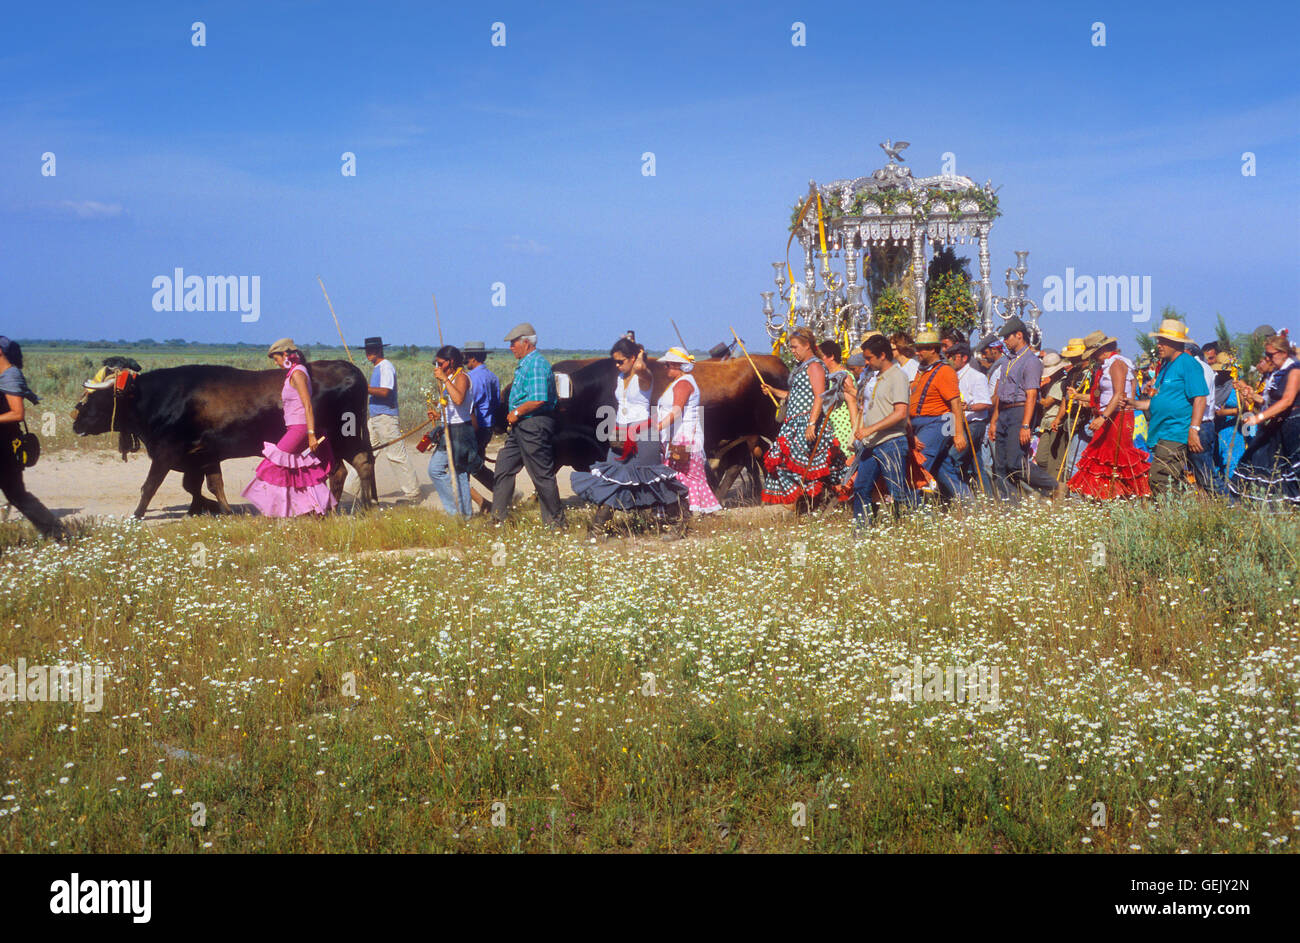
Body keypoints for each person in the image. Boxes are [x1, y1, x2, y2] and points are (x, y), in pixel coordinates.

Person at [570, 338, 686, 538]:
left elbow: (640, 366)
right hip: (622, 433)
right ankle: (597, 531)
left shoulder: (644, 375)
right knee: (611, 478)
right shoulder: (620, 377)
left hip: (643, 433)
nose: (616, 365)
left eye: (621, 361)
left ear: (633, 358)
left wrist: (640, 353)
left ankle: (678, 524)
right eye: (615, 361)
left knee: (653, 480)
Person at [242, 339, 338, 516]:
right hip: (295, 427)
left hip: (300, 428)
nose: (275, 362)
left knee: (272, 465)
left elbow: (307, 405)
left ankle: (274, 511)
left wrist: (310, 435)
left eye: (276, 358)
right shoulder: (294, 372)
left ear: (285, 355)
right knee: (302, 470)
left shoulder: (298, 374)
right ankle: (317, 509)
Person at [491, 323, 566, 527]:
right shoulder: (527, 363)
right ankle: (498, 519)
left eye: (514, 343)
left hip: (533, 424)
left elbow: (538, 399)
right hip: (522, 425)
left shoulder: (536, 365)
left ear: (526, 342)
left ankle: (556, 524)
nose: (511, 347)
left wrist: (515, 412)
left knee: (541, 474)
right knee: (504, 466)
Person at [760, 327, 843, 508]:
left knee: (806, 466)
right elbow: (796, 395)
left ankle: (812, 504)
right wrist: (773, 391)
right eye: (791, 347)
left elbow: (819, 396)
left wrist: (811, 424)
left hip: (807, 423)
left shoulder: (814, 366)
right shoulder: (800, 367)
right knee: (784, 463)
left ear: (807, 346)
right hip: (793, 423)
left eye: (795, 347)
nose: (793, 351)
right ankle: (804, 504)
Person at [1067, 337, 1151, 499]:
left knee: (1116, 459)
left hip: (1116, 418)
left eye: (1094, 353)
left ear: (1102, 351)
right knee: (1105, 460)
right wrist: (1078, 396)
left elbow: (1119, 393)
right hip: (1111, 416)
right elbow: (1103, 395)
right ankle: (1107, 496)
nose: (1092, 358)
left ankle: (1121, 495)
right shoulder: (1108, 365)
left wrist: (1103, 418)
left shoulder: (1117, 364)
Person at [1131, 318, 1207, 496]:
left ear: (1176, 343)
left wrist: (1193, 429)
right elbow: (1158, 401)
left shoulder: (1188, 364)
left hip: (1176, 431)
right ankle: (1187, 511)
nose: (1159, 345)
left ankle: (1172, 514)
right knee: (1172, 478)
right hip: (1161, 431)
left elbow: (1200, 398)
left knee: (1160, 477)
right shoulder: (1165, 367)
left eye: (1163, 341)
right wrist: (1133, 404)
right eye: (1159, 341)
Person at [989, 318, 1062, 501]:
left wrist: (1025, 425)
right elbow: (1000, 394)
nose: (1005, 341)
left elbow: (1031, 395)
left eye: (1007, 337)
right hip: (1004, 412)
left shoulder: (1031, 361)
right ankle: (1011, 506)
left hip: (1020, 411)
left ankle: (1053, 486)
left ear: (1019, 335)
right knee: (1000, 465)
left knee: (1015, 462)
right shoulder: (1007, 361)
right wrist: (993, 421)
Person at [0, 337, 66, 538]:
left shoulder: (10, 376)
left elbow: (17, 413)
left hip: (5, 447)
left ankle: (59, 534)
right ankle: (59, 534)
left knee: (17, 495)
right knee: (17, 494)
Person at [1229, 333, 1300, 505]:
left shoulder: (1295, 370)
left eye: (1271, 355)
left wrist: (1258, 418)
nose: (1267, 359)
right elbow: (1270, 402)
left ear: (1283, 353)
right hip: (1275, 426)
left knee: (1290, 469)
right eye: (1266, 355)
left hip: (1292, 424)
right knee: (1255, 461)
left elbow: (1287, 400)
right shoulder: (1277, 373)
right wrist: (1253, 395)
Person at [656, 347, 721, 533]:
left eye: (667, 365)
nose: (665, 368)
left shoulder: (683, 384)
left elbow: (676, 411)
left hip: (683, 439)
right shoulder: (680, 382)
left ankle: (686, 518)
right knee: (687, 477)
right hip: (681, 437)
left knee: (684, 476)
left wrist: (657, 427)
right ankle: (693, 516)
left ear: (677, 365)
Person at [851, 333, 913, 525]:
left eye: (869, 358)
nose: (867, 362)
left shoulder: (898, 377)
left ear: (883, 355)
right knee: (861, 488)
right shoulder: (876, 378)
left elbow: (901, 412)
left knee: (897, 491)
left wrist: (871, 429)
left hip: (891, 441)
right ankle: (861, 532)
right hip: (872, 443)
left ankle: (906, 529)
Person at [909, 327, 970, 501]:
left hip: (939, 423)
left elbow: (955, 403)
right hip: (921, 424)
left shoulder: (945, 371)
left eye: (921, 348)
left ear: (933, 350)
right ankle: (969, 504)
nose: (917, 352)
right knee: (943, 469)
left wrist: (958, 434)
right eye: (917, 348)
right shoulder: (922, 371)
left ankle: (914, 510)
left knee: (919, 465)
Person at [360, 336, 421, 504]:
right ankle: (350, 492)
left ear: (380, 350)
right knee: (363, 454)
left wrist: (364, 388)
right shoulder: (378, 367)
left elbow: (386, 391)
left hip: (386, 417)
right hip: (376, 418)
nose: (368, 354)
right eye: (367, 351)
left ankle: (413, 494)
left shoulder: (386, 367)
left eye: (372, 351)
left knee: (396, 455)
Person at [425, 345, 483, 519]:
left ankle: (464, 515)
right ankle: (455, 511)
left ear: (451, 362)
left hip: (460, 432)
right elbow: (451, 404)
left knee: (459, 474)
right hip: (448, 429)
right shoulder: (449, 378)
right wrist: (438, 413)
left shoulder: (462, 377)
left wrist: (444, 379)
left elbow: (458, 399)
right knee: (435, 469)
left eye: (440, 363)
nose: (438, 366)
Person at [950, 343, 991, 492]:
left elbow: (986, 403)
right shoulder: (952, 376)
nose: (950, 360)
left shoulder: (977, 377)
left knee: (952, 458)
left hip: (973, 424)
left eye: (953, 357)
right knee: (976, 463)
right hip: (958, 424)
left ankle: (958, 496)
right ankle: (989, 498)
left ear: (964, 358)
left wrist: (967, 407)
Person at [464, 341, 500, 506]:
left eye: (466, 357)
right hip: (487, 426)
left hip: (475, 426)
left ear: (472, 358)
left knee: (467, 467)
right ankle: (503, 493)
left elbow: (471, 404)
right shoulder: (492, 376)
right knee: (476, 465)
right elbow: (496, 402)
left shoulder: (472, 378)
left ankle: (500, 495)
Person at [817, 340, 859, 478]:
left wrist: (854, 433)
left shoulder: (843, 376)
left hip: (843, 428)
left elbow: (852, 404)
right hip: (831, 426)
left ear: (831, 356)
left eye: (821, 356)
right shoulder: (826, 376)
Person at [1186, 344, 1224, 494]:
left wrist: (1193, 429)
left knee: (1206, 474)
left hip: (1200, 425)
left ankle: (1229, 505)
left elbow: (1201, 400)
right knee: (1201, 473)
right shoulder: (1201, 367)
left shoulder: (1198, 368)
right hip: (1202, 425)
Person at [1031, 351, 1070, 482]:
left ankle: (1054, 486)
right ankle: (1048, 482)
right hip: (1046, 422)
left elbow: (1047, 402)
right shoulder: (1052, 383)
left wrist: (1034, 395)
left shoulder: (1061, 383)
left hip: (1055, 421)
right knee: (1041, 457)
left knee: (1053, 460)